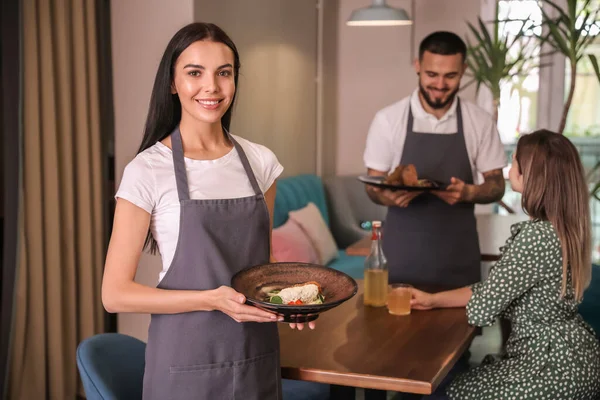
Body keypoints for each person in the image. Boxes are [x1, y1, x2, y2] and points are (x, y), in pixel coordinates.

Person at [101, 22, 313, 400]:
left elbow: (260, 267)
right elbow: (115, 294)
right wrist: (209, 299)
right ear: (172, 83)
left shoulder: (260, 162)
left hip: (255, 356)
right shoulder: (147, 170)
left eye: (224, 73)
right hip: (185, 363)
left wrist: (291, 300)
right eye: (194, 73)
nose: (211, 87)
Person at [410, 130, 600, 399]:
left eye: (516, 161)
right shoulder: (562, 229)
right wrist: (434, 300)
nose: (510, 164)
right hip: (577, 361)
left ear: (532, 176)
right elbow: (495, 289)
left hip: (547, 370)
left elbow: (481, 309)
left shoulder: (535, 237)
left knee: (443, 391)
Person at [363, 31, 506, 288]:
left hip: (459, 262)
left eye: (450, 76)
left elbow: (497, 185)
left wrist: (469, 192)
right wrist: (388, 196)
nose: (440, 84)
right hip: (401, 260)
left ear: (463, 70)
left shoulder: (480, 122)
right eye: (432, 74)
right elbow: (373, 184)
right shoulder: (388, 120)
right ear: (417, 66)